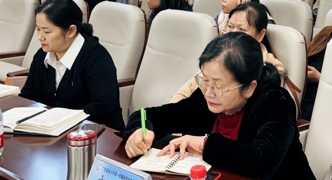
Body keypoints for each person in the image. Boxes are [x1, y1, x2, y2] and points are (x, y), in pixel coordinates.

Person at [121, 32, 315, 179]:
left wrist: (205, 144)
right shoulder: (205, 98)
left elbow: (262, 162)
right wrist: (138, 130)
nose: (208, 92)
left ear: (249, 87)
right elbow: (149, 115)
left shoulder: (275, 102)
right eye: (205, 80)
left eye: (219, 86)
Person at [20, 0, 124, 130]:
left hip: (96, 132)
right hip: (53, 130)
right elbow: (28, 95)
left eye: (47, 31)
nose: (40, 37)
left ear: (71, 31)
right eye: (38, 29)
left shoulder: (96, 57)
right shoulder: (42, 54)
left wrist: (60, 119)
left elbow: (103, 106)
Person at [171, 3, 285, 103]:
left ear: (260, 35)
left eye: (242, 29)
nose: (233, 33)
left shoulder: (271, 68)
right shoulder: (218, 55)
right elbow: (185, 92)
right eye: (230, 26)